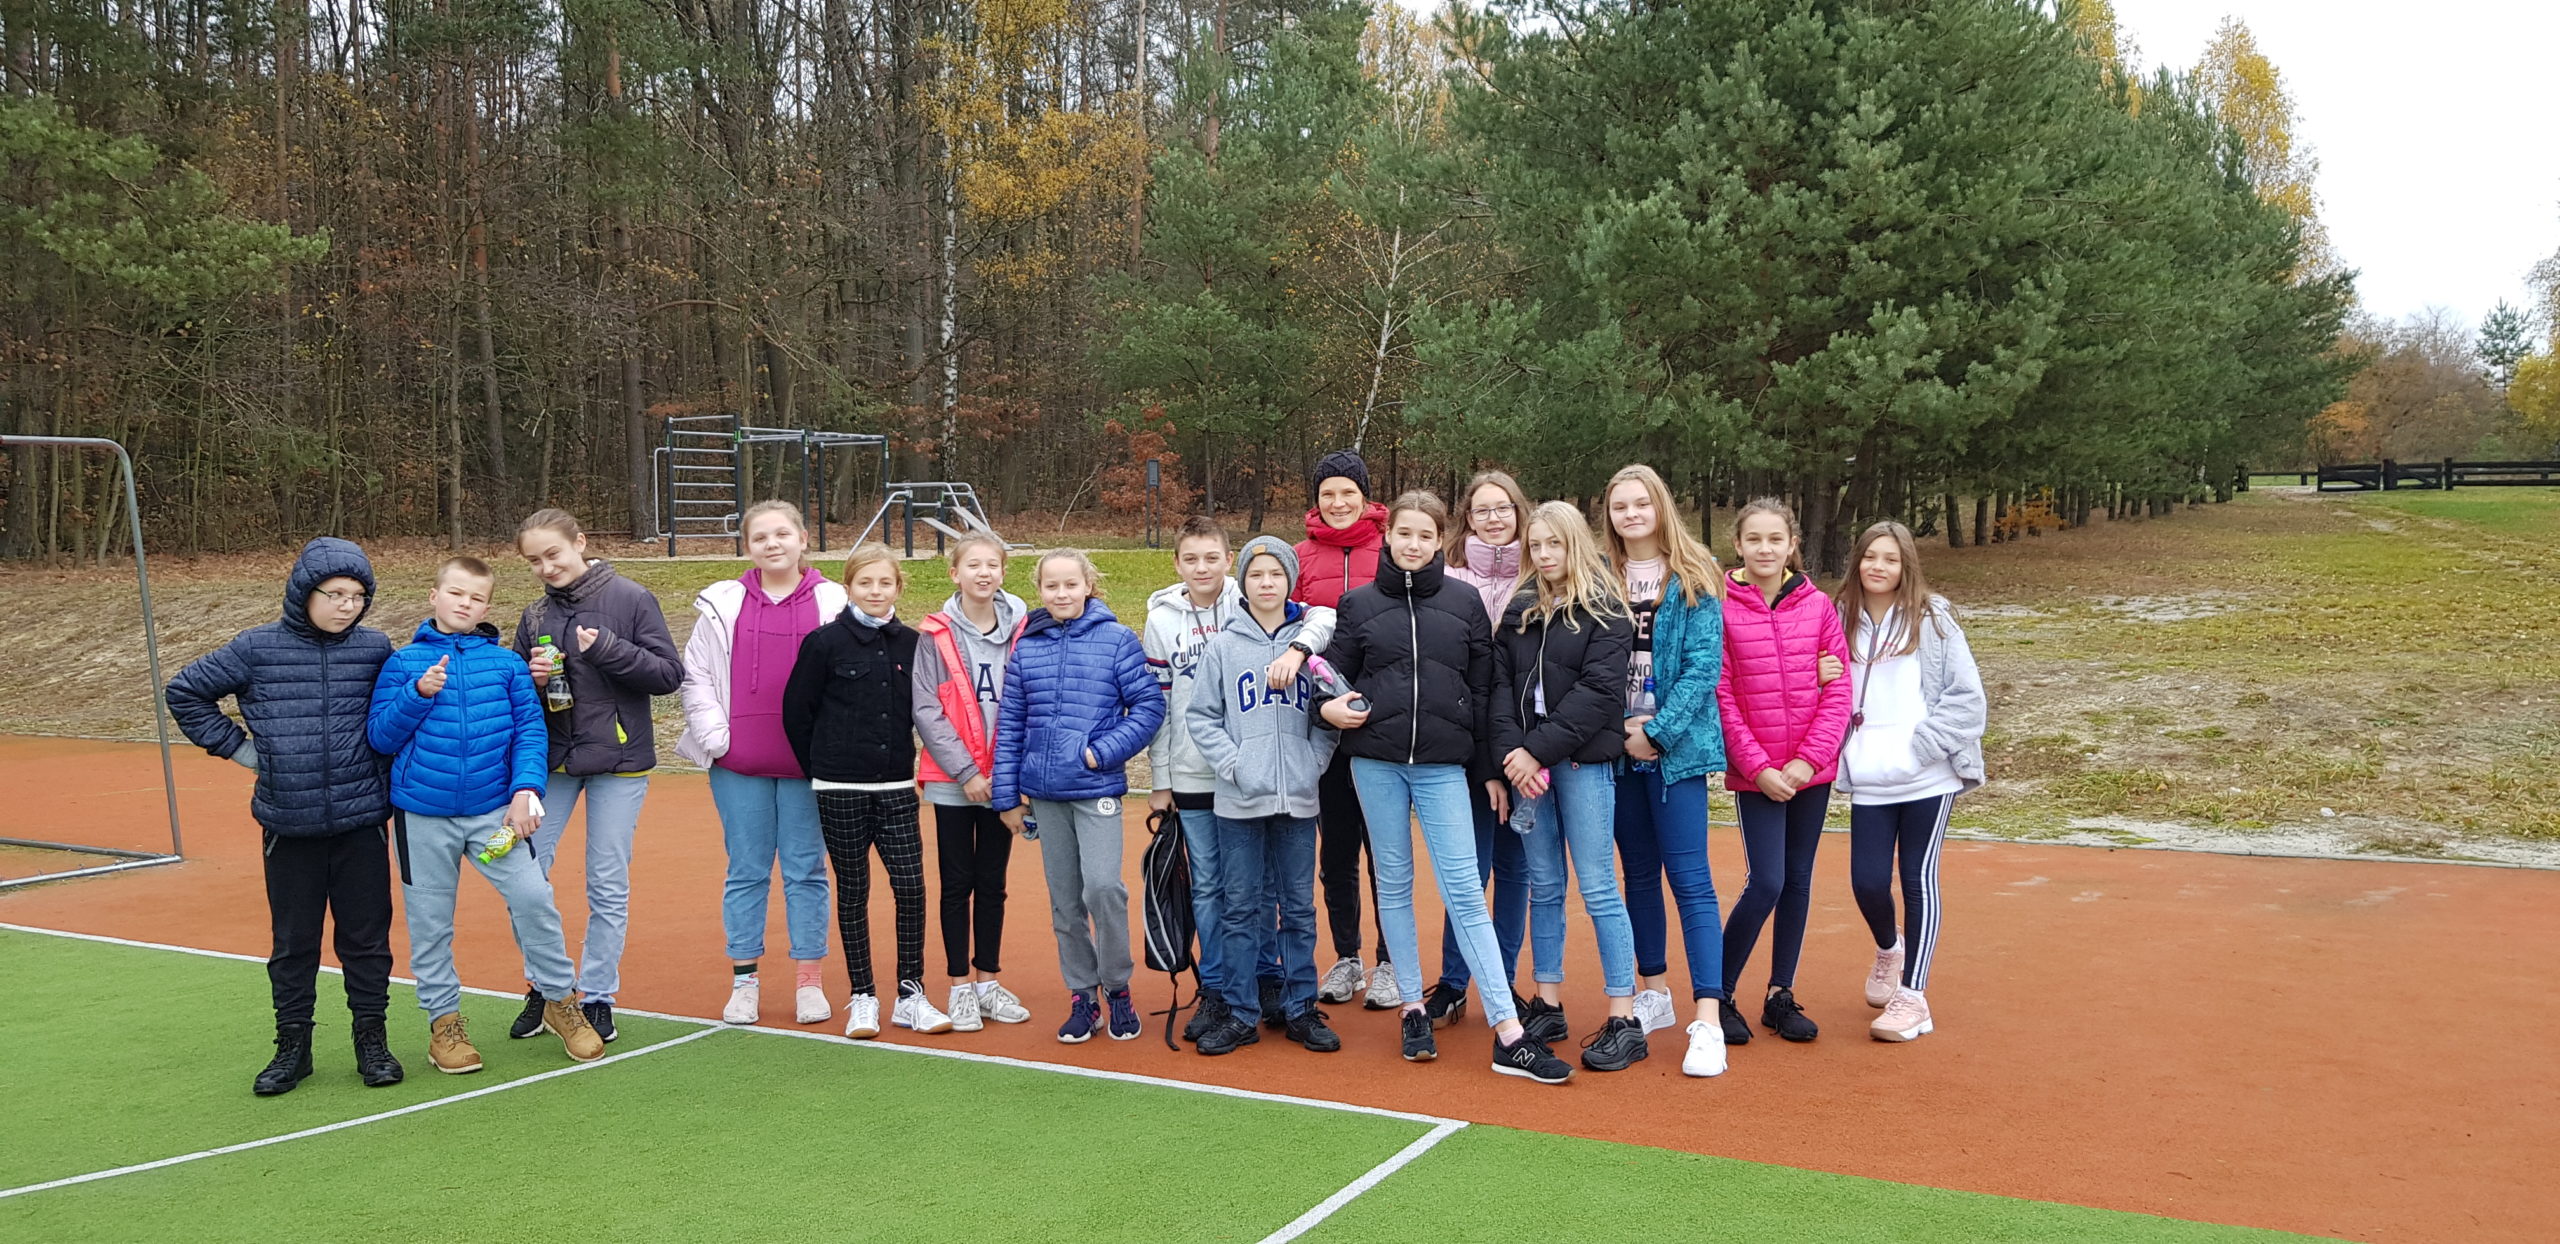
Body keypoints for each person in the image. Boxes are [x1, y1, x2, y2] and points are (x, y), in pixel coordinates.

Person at [1314, 491, 1576, 1085]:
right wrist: (1325, 709)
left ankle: (1509, 1032)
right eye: (1404, 533)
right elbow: (1330, 680)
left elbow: (1485, 693)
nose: (1413, 544)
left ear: (1440, 542)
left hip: (1443, 767)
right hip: (1374, 764)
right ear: (1388, 537)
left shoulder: (1464, 603)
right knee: (1394, 884)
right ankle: (1412, 1008)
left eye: (1425, 536)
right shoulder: (1356, 605)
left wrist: (1489, 769)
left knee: (1464, 891)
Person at [165, 537, 404, 1096]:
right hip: (289, 825)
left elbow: (400, 712)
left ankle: (372, 1041)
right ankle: (292, 1047)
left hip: (362, 822)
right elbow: (186, 691)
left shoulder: (376, 649)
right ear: (304, 592)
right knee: (294, 943)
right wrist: (243, 751)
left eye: (358, 596)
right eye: (336, 594)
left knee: (367, 941)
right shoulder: (256, 647)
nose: (348, 606)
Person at [368, 557, 604, 1073]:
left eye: (476, 598)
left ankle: (561, 1002)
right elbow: (380, 737)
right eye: (456, 593)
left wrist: (526, 792)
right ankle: (444, 1024)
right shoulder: (403, 664)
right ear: (434, 596)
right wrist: (417, 695)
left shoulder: (507, 666)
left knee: (534, 899)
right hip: (421, 817)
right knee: (430, 924)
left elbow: (531, 733)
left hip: (494, 814)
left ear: (486, 608)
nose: (464, 603)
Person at [1145, 516, 1336, 1041]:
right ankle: (1240, 1011)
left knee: (1297, 909)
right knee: (1240, 904)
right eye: (1257, 574)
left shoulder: (1310, 646)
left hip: (1298, 800)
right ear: (1243, 581)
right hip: (1236, 800)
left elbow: (1331, 713)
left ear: (1289, 579)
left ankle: (1299, 1008)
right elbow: (1201, 716)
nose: (1267, 582)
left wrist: (1311, 763)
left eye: (1276, 573)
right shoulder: (1223, 647)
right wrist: (1235, 767)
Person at [508, 508, 683, 1044]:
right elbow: (515, 698)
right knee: (525, 875)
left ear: (579, 543)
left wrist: (608, 649)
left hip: (619, 765)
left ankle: (599, 995)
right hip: (553, 764)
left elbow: (668, 675)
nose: (546, 567)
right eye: (534, 561)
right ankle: (547, 988)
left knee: (606, 883)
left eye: (553, 554)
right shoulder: (534, 615)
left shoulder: (631, 598)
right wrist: (533, 679)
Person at [1490, 503, 1647, 1072]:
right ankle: (1549, 1002)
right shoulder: (1520, 609)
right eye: (1536, 546)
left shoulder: (1607, 609)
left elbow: (1599, 693)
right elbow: (1499, 688)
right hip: (1526, 770)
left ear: (1575, 543)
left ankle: (1624, 1017)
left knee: (1599, 886)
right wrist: (1514, 756)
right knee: (1546, 886)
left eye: (1554, 543)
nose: (1544, 555)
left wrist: (1537, 750)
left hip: (1580, 766)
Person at [676, 500, 845, 1027]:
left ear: (803, 539)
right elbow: (697, 675)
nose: (772, 544)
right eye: (760, 537)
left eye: (782, 534)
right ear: (747, 546)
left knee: (806, 870)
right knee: (746, 871)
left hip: (808, 764)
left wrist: (831, 742)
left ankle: (809, 982)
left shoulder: (834, 600)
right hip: (738, 763)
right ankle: (745, 982)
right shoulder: (723, 602)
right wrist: (716, 737)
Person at [992, 549, 1164, 1044]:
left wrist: (1100, 753)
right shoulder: (1027, 647)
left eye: (1071, 584)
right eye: (1052, 586)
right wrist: (1007, 797)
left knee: (1104, 888)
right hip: (1046, 795)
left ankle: (1118, 987)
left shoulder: (1117, 640)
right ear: (1039, 590)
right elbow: (1011, 725)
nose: (1062, 593)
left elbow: (1149, 707)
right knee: (1065, 902)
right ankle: (1083, 996)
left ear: (1088, 585)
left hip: (1096, 790)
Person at [1600, 464, 1733, 1078]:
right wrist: (1618, 734)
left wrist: (1655, 734)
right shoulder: (1599, 576)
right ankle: (1654, 990)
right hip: (1616, 750)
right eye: (1619, 505)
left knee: (1691, 878)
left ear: (1660, 507)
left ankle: (1708, 1018)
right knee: (1638, 875)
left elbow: (1704, 668)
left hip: (1675, 754)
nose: (1631, 514)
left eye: (1641, 503)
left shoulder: (1695, 574)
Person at [784, 543, 949, 1040]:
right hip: (839, 789)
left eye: (885, 583)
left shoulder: (915, 644)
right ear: (848, 587)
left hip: (896, 786)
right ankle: (863, 996)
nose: (875, 591)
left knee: (911, 887)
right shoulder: (823, 643)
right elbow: (797, 714)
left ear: (899, 587)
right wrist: (822, 770)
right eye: (865, 583)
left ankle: (910, 995)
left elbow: (930, 711)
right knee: (853, 890)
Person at [1835, 521, 1985, 1043]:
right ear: (1857, 561)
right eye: (1870, 556)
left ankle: (1913, 997)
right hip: (1870, 777)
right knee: (1867, 882)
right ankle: (1889, 949)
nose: (1878, 566)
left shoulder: (1932, 619)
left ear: (1906, 567)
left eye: (1891, 559)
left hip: (1928, 776)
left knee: (1918, 878)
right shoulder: (1838, 618)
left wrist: (1922, 749)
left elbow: (1968, 700)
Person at [1716, 497, 1854, 1047]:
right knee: (1767, 881)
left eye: (1776, 539)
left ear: (1792, 544)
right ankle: (1718, 994)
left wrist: (1806, 762)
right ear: (1738, 545)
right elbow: (1722, 696)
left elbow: (1839, 691)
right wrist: (1759, 768)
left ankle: (1780, 994)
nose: (1765, 549)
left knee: (1797, 880)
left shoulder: (1818, 606)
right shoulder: (1721, 609)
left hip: (1808, 774)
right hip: (1758, 775)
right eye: (1754, 539)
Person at [1425, 470, 1535, 1035]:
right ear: (1467, 518)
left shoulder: (1540, 573)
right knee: (1469, 871)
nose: (1494, 519)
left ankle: (1503, 978)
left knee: (1516, 869)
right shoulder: (1448, 577)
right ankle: (1453, 982)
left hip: (1531, 747)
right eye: (1482, 510)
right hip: (1468, 746)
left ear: (1520, 512)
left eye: (1504, 508)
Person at [912, 533, 1033, 1030]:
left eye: (992, 565)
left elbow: (1030, 703)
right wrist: (966, 772)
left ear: (1003, 572)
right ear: (954, 573)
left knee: (992, 883)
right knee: (956, 882)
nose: (983, 573)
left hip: (1004, 779)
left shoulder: (1025, 629)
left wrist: (1005, 777)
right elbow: (926, 709)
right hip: (953, 779)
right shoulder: (933, 635)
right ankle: (959, 986)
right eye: (973, 565)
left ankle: (987, 983)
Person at [1292, 450, 1397, 1010]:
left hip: (1383, 722)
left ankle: (1391, 960)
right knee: (1335, 849)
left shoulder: (1392, 549)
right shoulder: (1298, 556)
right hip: (1322, 720)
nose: (1337, 503)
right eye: (1327, 493)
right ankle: (1348, 957)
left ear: (1364, 496)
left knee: (1385, 850)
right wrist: (1320, 705)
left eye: (1347, 493)